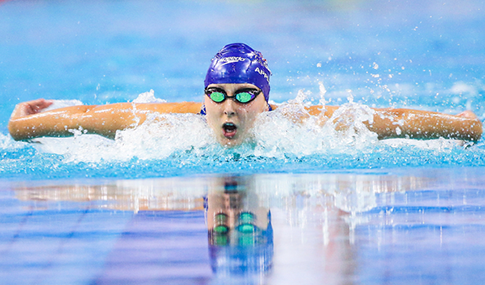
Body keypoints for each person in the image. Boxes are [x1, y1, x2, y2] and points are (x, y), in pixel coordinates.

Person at [8, 43, 483, 147]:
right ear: (203, 98)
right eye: (216, 94)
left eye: (244, 94)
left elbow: (388, 117)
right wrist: (20, 121)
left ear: (266, 101)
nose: (229, 106)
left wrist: (464, 125)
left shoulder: (302, 125)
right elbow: (91, 116)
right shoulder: (170, 125)